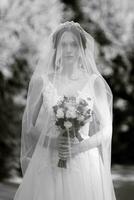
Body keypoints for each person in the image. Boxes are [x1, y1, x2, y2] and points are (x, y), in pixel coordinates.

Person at [13, 21, 116, 200]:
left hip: (84, 163)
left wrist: (77, 148)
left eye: (74, 44)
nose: (68, 50)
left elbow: (106, 130)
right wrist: (51, 142)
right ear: (56, 47)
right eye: (64, 44)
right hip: (47, 161)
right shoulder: (42, 81)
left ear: (82, 49)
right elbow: (29, 125)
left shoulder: (94, 82)